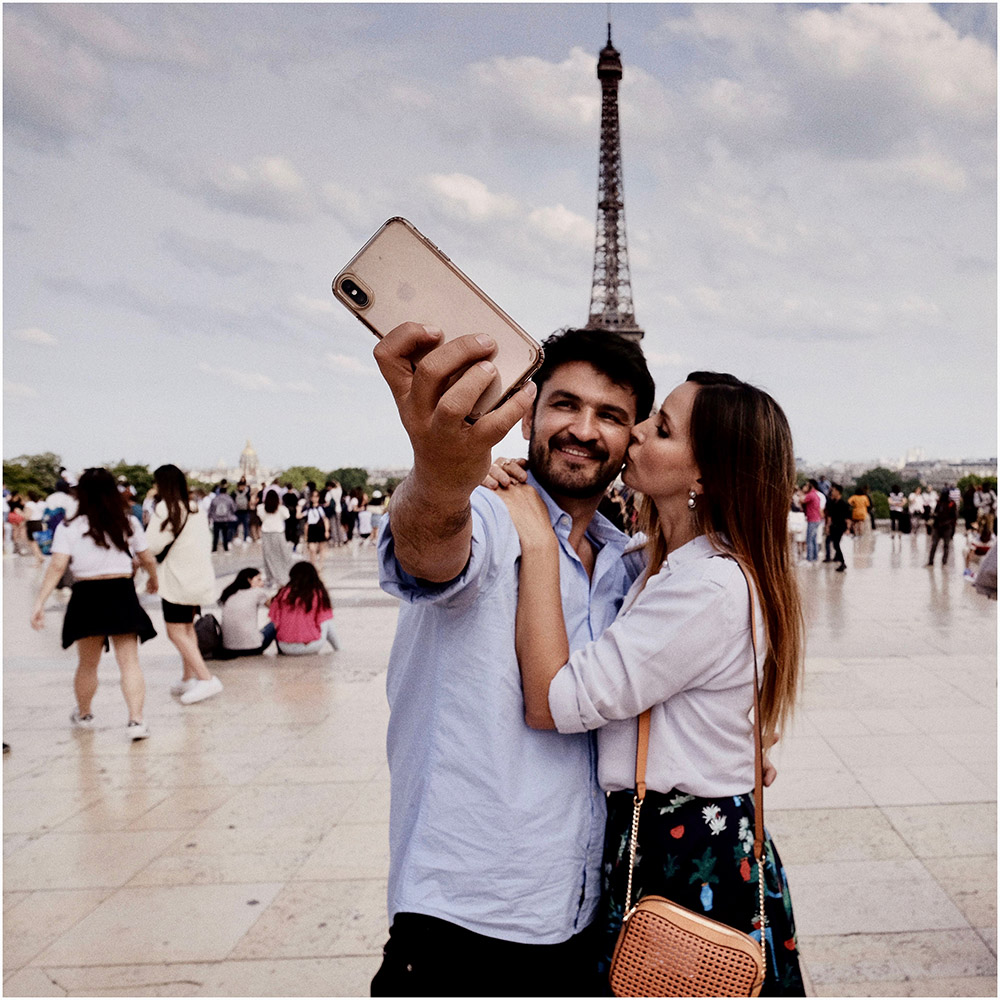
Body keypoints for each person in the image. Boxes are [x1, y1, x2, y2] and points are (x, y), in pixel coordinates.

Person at [369, 321, 660, 997]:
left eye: (610, 415)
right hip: (466, 920)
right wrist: (441, 478)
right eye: (565, 404)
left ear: (632, 437)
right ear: (527, 410)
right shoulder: (489, 514)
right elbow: (431, 549)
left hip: (584, 919)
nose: (584, 429)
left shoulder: (629, 565)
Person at [498, 371, 805, 994]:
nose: (636, 431)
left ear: (704, 478)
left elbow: (556, 702)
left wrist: (536, 536)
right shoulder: (672, 565)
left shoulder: (705, 587)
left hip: (680, 857)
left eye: (661, 428)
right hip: (694, 841)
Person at [29, 467, 158, 740]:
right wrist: (153, 580)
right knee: (130, 663)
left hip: (87, 594)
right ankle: (136, 721)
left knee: (87, 664)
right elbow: (147, 557)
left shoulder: (69, 527)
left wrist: (40, 602)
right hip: (121, 591)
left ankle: (85, 714)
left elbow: (57, 566)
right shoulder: (127, 523)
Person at [145, 465, 223, 705]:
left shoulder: (164, 508)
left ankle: (205, 678)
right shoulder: (195, 508)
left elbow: (150, 546)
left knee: (175, 632)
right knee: (188, 629)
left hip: (176, 579)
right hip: (198, 578)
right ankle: (188, 677)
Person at [268, 561, 339, 654]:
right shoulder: (317, 593)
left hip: (285, 647)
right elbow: (323, 619)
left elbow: (275, 619)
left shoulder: (283, 593)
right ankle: (338, 648)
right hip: (312, 646)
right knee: (326, 620)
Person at [216, 567, 276, 658]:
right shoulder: (257, 592)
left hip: (228, 648)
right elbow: (275, 608)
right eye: (259, 580)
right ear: (249, 580)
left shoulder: (229, 593)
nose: (262, 583)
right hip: (252, 648)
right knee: (276, 623)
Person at [259, 490, 297, 587]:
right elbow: (287, 516)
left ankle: (270, 578)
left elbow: (262, 518)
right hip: (278, 533)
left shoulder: (261, 508)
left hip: (266, 533)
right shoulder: (281, 509)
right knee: (282, 555)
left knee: (268, 557)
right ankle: (283, 577)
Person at [927, 488, 958, 567]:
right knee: (934, 544)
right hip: (937, 527)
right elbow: (935, 513)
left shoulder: (951, 504)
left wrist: (952, 528)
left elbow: (954, 517)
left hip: (947, 527)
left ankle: (944, 561)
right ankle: (931, 561)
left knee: (946, 545)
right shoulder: (939, 503)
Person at [824, 483, 852, 571]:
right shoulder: (833, 503)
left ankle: (842, 562)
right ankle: (840, 560)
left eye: (834, 491)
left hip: (840, 526)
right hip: (834, 525)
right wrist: (828, 526)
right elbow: (830, 516)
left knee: (836, 544)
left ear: (838, 492)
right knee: (835, 544)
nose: (832, 492)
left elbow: (848, 517)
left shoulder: (843, 504)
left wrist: (848, 528)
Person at [302, 489, 330, 570]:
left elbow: (325, 519)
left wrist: (327, 530)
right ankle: (313, 564)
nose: (314, 498)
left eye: (316, 497)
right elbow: (302, 518)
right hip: (311, 528)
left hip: (320, 528)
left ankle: (320, 564)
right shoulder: (307, 508)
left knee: (321, 548)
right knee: (312, 549)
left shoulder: (321, 508)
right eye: (313, 497)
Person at [208, 484, 237, 552]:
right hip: (225, 520)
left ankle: (214, 549)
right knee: (225, 535)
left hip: (216, 520)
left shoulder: (215, 499)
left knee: (215, 536)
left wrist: (209, 518)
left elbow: (211, 510)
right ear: (226, 491)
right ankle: (225, 548)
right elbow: (234, 509)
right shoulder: (229, 499)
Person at [801, 480, 823, 562]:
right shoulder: (816, 494)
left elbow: (801, 501)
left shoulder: (810, 495)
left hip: (812, 519)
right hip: (817, 519)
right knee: (814, 539)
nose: (804, 487)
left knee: (809, 539)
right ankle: (815, 557)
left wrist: (802, 492)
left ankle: (809, 558)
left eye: (806, 486)